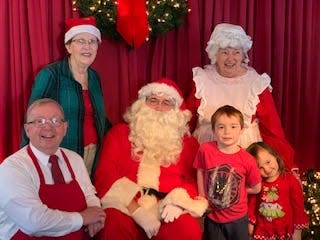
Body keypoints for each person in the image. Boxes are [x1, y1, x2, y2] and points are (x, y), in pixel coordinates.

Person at [93, 78, 208, 240]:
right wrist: (136, 210)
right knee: (112, 223)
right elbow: (105, 174)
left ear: (176, 110)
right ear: (142, 104)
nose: (159, 107)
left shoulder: (189, 144)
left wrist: (179, 203)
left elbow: (197, 181)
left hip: (167, 208)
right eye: (153, 100)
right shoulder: (118, 134)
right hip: (127, 206)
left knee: (187, 230)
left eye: (166, 102)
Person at [186, 22, 297, 173]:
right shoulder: (201, 80)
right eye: (225, 52)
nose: (230, 58)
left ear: (243, 54)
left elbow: (272, 129)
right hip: (205, 152)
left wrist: (285, 165)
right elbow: (185, 120)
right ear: (214, 54)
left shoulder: (256, 83)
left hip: (246, 154)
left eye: (236, 52)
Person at [0, 98, 106, 239]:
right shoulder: (12, 168)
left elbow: (89, 194)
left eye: (56, 121)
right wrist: (82, 218)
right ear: (27, 129)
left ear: (65, 128)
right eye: (40, 121)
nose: (48, 127)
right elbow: (34, 222)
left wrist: (95, 211)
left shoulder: (75, 159)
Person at [22, 16, 111, 175]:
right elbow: (32, 120)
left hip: (93, 154)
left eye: (92, 41)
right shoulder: (51, 75)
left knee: (86, 196)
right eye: (81, 41)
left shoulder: (94, 77)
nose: (87, 47)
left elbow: (99, 117)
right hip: (60, 155)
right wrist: (26, 161)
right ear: (69, 47)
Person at [194, 105, 262, 240]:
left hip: (238, 218)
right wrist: (202, 195)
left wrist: (237, 188)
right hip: (213, 215)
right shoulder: (205, 150)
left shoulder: (247, 159)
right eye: (221, 127)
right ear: (213, 130)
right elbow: (200, 170)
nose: (227, 132)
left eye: (233, 127)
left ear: (241, 130)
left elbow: (256, 187)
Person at [246, 142, 308, 240]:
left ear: (275, 156)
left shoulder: (290, 180)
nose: (267, 169)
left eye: (268, 162)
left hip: (285, 230)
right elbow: (252, 204)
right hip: (263, 230)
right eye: (260, 168)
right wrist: (251, 223)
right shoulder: (258, 184)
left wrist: (297, 232)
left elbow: (298, 208)